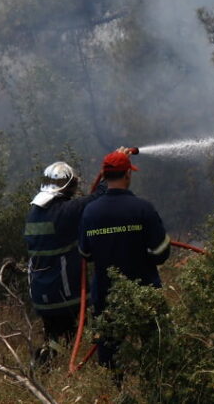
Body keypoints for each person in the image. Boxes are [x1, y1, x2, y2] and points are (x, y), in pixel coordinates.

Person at [78, 147, 171, 368]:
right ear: (128, 174)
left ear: (104, 176)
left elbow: (85, 253)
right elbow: (161, 252)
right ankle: (154, 380)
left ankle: (114, 384)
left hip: (106, 296)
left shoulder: (90, 212)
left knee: (109, 355)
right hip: (144, 292)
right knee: (155, 349)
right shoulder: (143, 209)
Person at [24, 159, 107, 364]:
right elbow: (98, 196)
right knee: (78, 328)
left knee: (56, 335)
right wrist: (109, 172)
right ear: (67, 186)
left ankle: (43, 362)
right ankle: (48, 363)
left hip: (41, 293)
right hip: (63, 292)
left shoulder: (34, 213)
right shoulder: (64, 211)